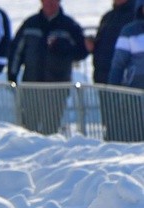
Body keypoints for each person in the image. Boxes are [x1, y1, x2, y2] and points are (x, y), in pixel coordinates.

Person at [8, 0, 88, 135]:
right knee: (28, 128)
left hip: (57, 88)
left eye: (53, 1)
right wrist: (12, 76)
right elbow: (16, 52)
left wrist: (64, 49)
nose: (49, 4)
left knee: (50, 128)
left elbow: (82, 51)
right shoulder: (30, 24)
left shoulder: (69, 25)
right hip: (31, 86)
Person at [89, 0, 135, 141]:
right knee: (111, 126)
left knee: (130, 126)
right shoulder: (108, 17)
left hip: (126, 83)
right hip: (104, 81)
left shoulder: (134, 15)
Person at [107, 0, 144, 140]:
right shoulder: (129, 31)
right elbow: (118, 64)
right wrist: (112, 91)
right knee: (136, 131)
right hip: (134, 93)